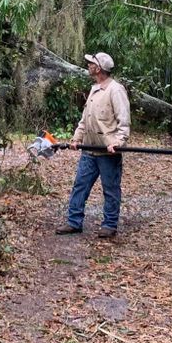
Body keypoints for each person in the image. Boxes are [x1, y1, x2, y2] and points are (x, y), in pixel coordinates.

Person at [56, 51, 130, 239]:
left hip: (107, 152)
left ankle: (110, 225)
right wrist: (76, 138)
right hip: (89, 149)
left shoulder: (116, 90)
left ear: (99, 68)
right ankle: (74, 222)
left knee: (110, 189)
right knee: (80, 185)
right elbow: (85, 118)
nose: (88, 65)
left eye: (91, 63)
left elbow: (124, 121)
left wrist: (118, 142)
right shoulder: (94, 89)